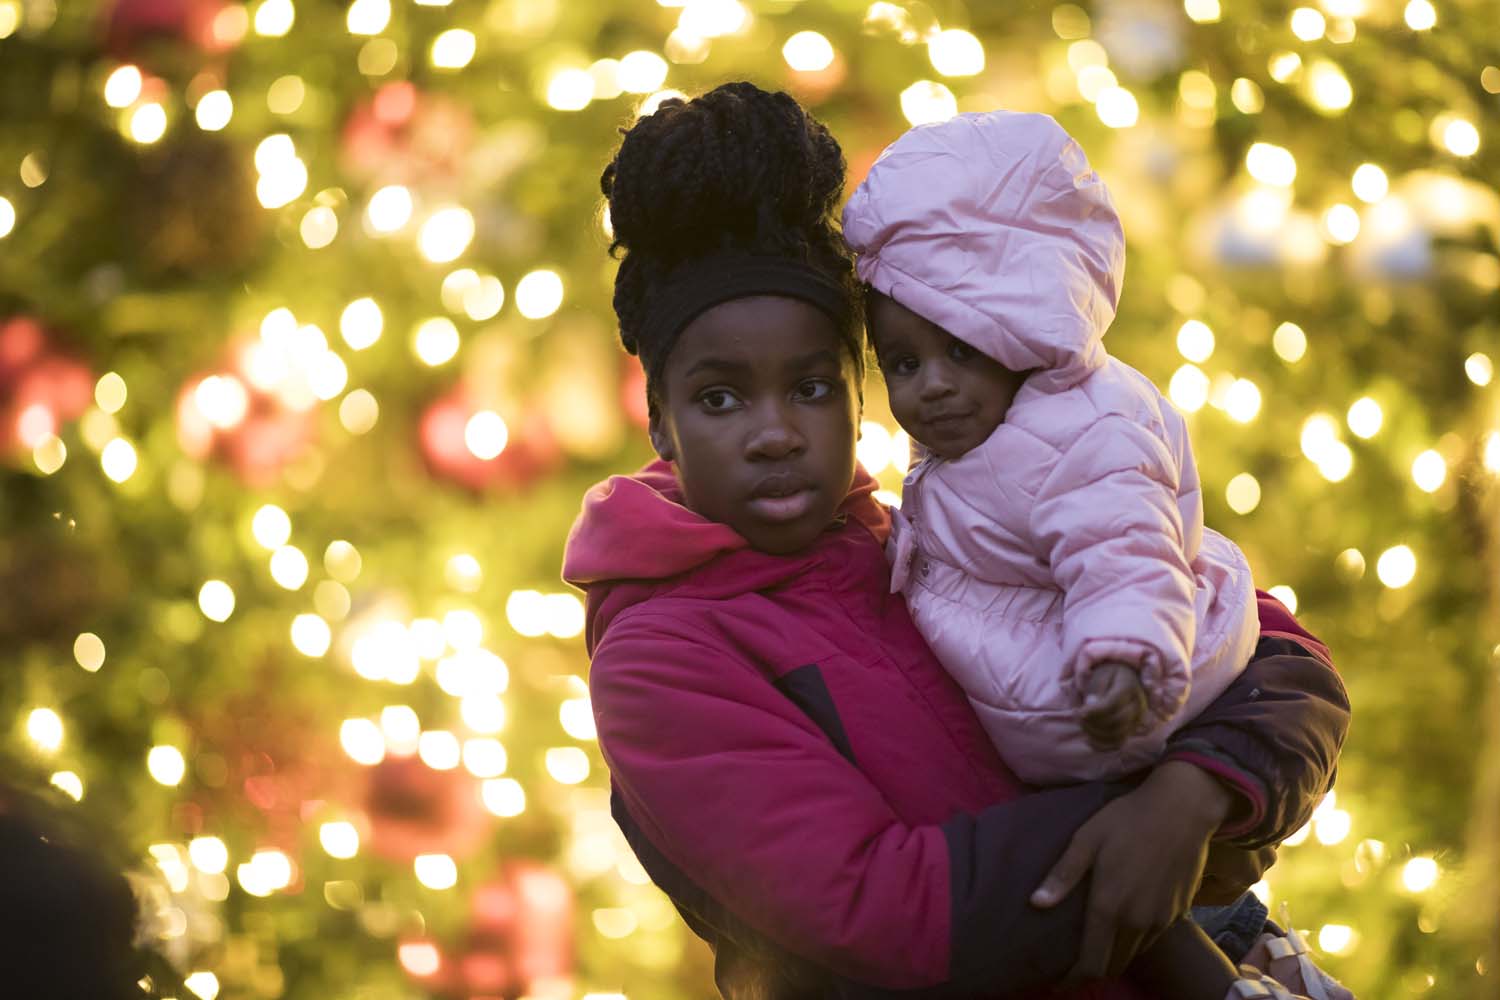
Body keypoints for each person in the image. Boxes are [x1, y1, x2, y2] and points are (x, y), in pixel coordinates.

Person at [564, 81, 1350, 1000]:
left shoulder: (927, 539)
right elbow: (887, 914)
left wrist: (1193, 797)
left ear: (858, 399)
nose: (774, 431)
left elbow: (1279, 658)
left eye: (812, 387)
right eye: (721, 398)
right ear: (661, 424)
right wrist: (1137, 821)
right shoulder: (664, 660)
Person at [840, 109, 1354, 999]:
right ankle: (1252, 953)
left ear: (1024, 328)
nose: (929, 389)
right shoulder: (972, 445)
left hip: (1135, 697)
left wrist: (1123, 659)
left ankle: (1253, 971)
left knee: (1146, 904)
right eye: (903, 364)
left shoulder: (1083, 431)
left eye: (960, 350)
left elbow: (1123, 552)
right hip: (1085, 730)